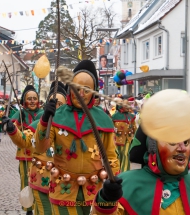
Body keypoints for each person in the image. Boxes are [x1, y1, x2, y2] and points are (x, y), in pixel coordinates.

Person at [91, 89, 190, 215]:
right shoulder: (128, 185)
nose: (182, 149)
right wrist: (106, 200)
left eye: (185, 142)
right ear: (153, 147)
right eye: (172, 142)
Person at [35, 60, 120, 215]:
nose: (81, 94)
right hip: (63, 190)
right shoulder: (57, 116)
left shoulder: (104, 119)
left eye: (86, 90)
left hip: (95, 191)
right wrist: (45, 120)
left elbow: (111, 156)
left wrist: (113, 182)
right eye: (77, 88)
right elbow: (40, 147)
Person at [2, 81, 67, 215]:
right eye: (55, 104)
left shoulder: (70, 126)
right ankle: (28, 209)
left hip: (65, 183)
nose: (58, 108)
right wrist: (12, 128)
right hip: (42, 178)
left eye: (61, 104)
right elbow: (25, 139)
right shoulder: (39, 123)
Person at [11, 85, 43, 215]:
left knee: (40, 181)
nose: (32, 101)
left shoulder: (43, 114)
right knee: (26, 181)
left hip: (40, 154)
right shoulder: (20, 114)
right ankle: (28, 208)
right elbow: (14, 130)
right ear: (24, 101)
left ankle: (40, 207)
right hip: (25, 154)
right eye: (29, 98)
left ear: (38, 101)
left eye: (34, 98)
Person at [112, 99, 136, 172]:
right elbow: (111, 129)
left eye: (128, 105)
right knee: (118, 155)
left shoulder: (131, 116)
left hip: (128, 139)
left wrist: (135, 137)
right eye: (126, 105)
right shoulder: (114, 116)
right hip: (117, 139)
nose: (128, 107)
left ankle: (125, 171)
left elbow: (134, 127)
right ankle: (117, 171)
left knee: (126, 155)